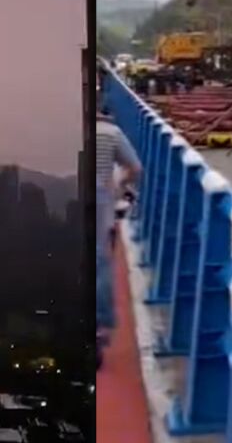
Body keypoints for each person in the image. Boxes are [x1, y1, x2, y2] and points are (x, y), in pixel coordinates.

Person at [95, 106, 141, 369]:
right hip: (101, 200)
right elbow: (135, 167)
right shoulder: (112, 133)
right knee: (100, 263)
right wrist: (120, 185)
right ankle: (100, 325)